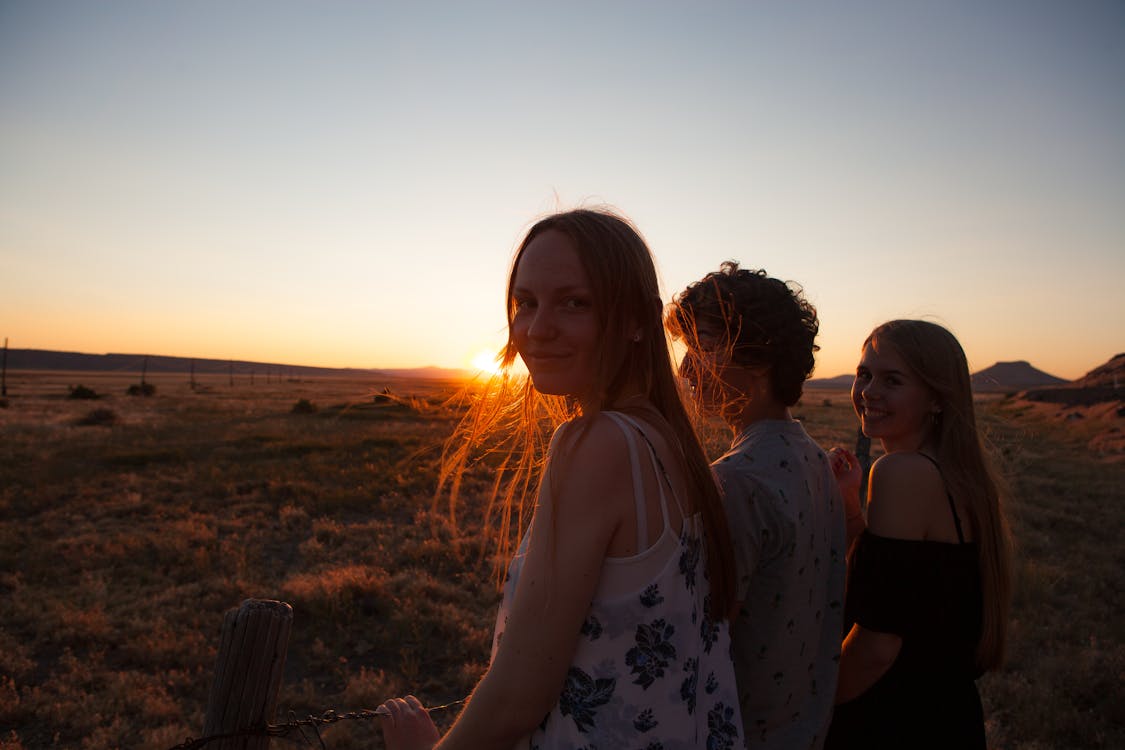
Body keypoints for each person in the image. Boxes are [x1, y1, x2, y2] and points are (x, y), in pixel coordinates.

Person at [378, 209, 746, 750]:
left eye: (575, 302)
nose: (537, 328)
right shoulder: (673, 443)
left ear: (635, 321)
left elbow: (517, 698)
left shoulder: (599, 443)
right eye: (525, 303)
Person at [666, 262, 847, 749]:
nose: (684, 369)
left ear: (760, 355)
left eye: (702, 345)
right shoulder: (812, 458)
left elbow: (699, 642)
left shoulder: (736, 481)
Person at [824, 319, 1014, 750]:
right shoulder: (957, 475)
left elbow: (876, 645)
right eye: (865, 374)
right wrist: (852, 506)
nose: (869, 391)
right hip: (945, 715)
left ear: (936, 399)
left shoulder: (903, 472)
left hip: (894, 721)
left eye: (893, 380)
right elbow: (898, 588)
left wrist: (808, 706)